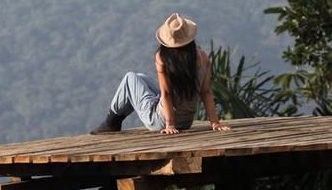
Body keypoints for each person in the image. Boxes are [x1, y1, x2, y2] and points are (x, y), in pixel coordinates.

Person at [90, 13, 232, 135]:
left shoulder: (162, 58)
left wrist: (169, 125)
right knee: (140, 78)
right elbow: (206, 92)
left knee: (130, 78)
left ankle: (112, 121)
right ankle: (113, 121)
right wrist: (215, 122)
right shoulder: (202, 57)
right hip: (186, 121)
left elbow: (167, 94)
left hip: (160, 121)